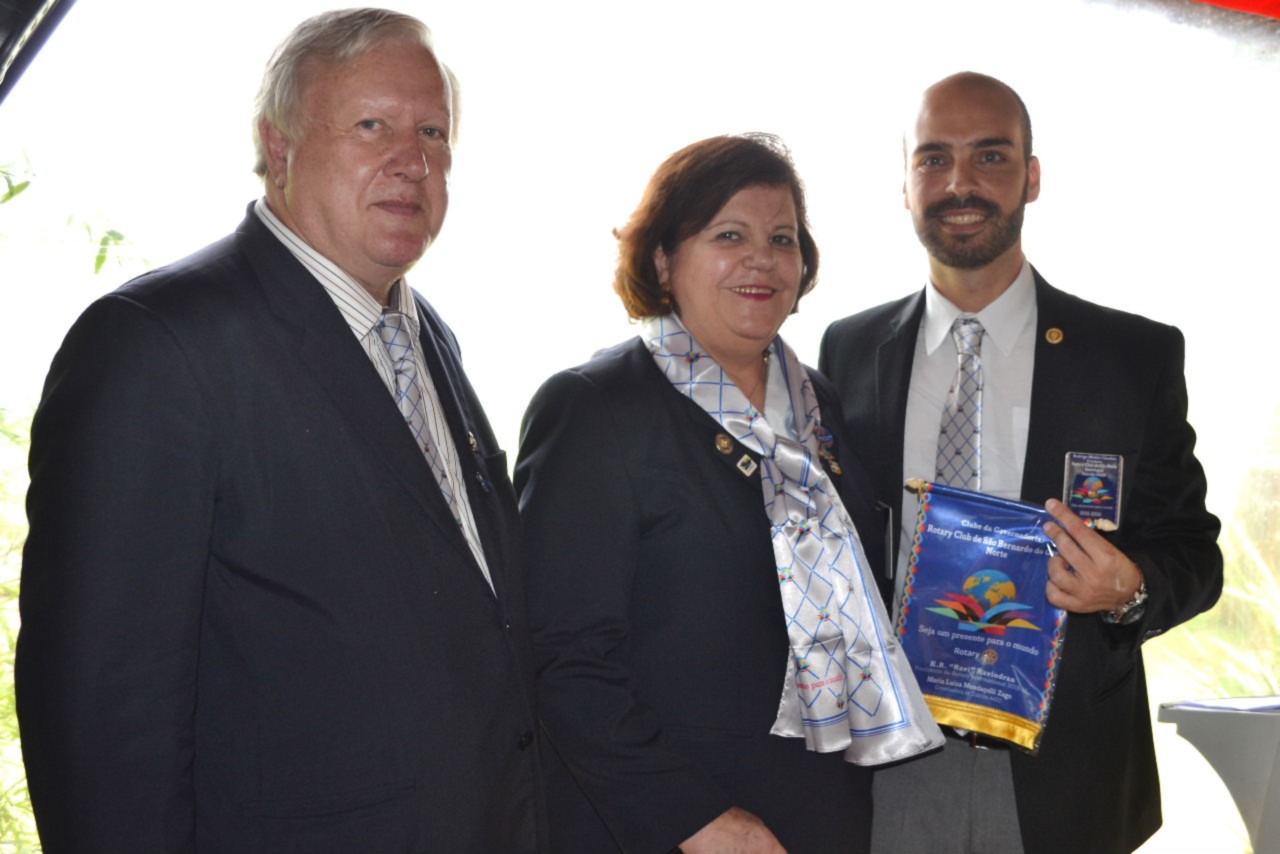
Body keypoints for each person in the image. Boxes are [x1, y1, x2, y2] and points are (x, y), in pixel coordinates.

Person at [16, 10, 544, 853]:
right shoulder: (156, 345)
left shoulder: (427, 336)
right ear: (281, 144)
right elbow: (101, 722)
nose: (412, 161)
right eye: (372, 126)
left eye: (433, 133)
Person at [818, 71, 1223, 854]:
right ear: (904, 185)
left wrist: (1129, 589)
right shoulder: (850, 349)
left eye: (991, 156)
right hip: (894, 757)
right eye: (933, 159)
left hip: (1066, 765)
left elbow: (1194, 555)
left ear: (1032, 177)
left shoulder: (1131, 357)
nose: (959, 184)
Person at [515, 133, 942, 854]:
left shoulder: (818, 406)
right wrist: (694, 818)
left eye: (782, 238)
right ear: (663, 259)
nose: (761, 259)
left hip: (821, 810)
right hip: (670, 824)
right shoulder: (596, 407)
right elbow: (564, 659)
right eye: (728, 235)